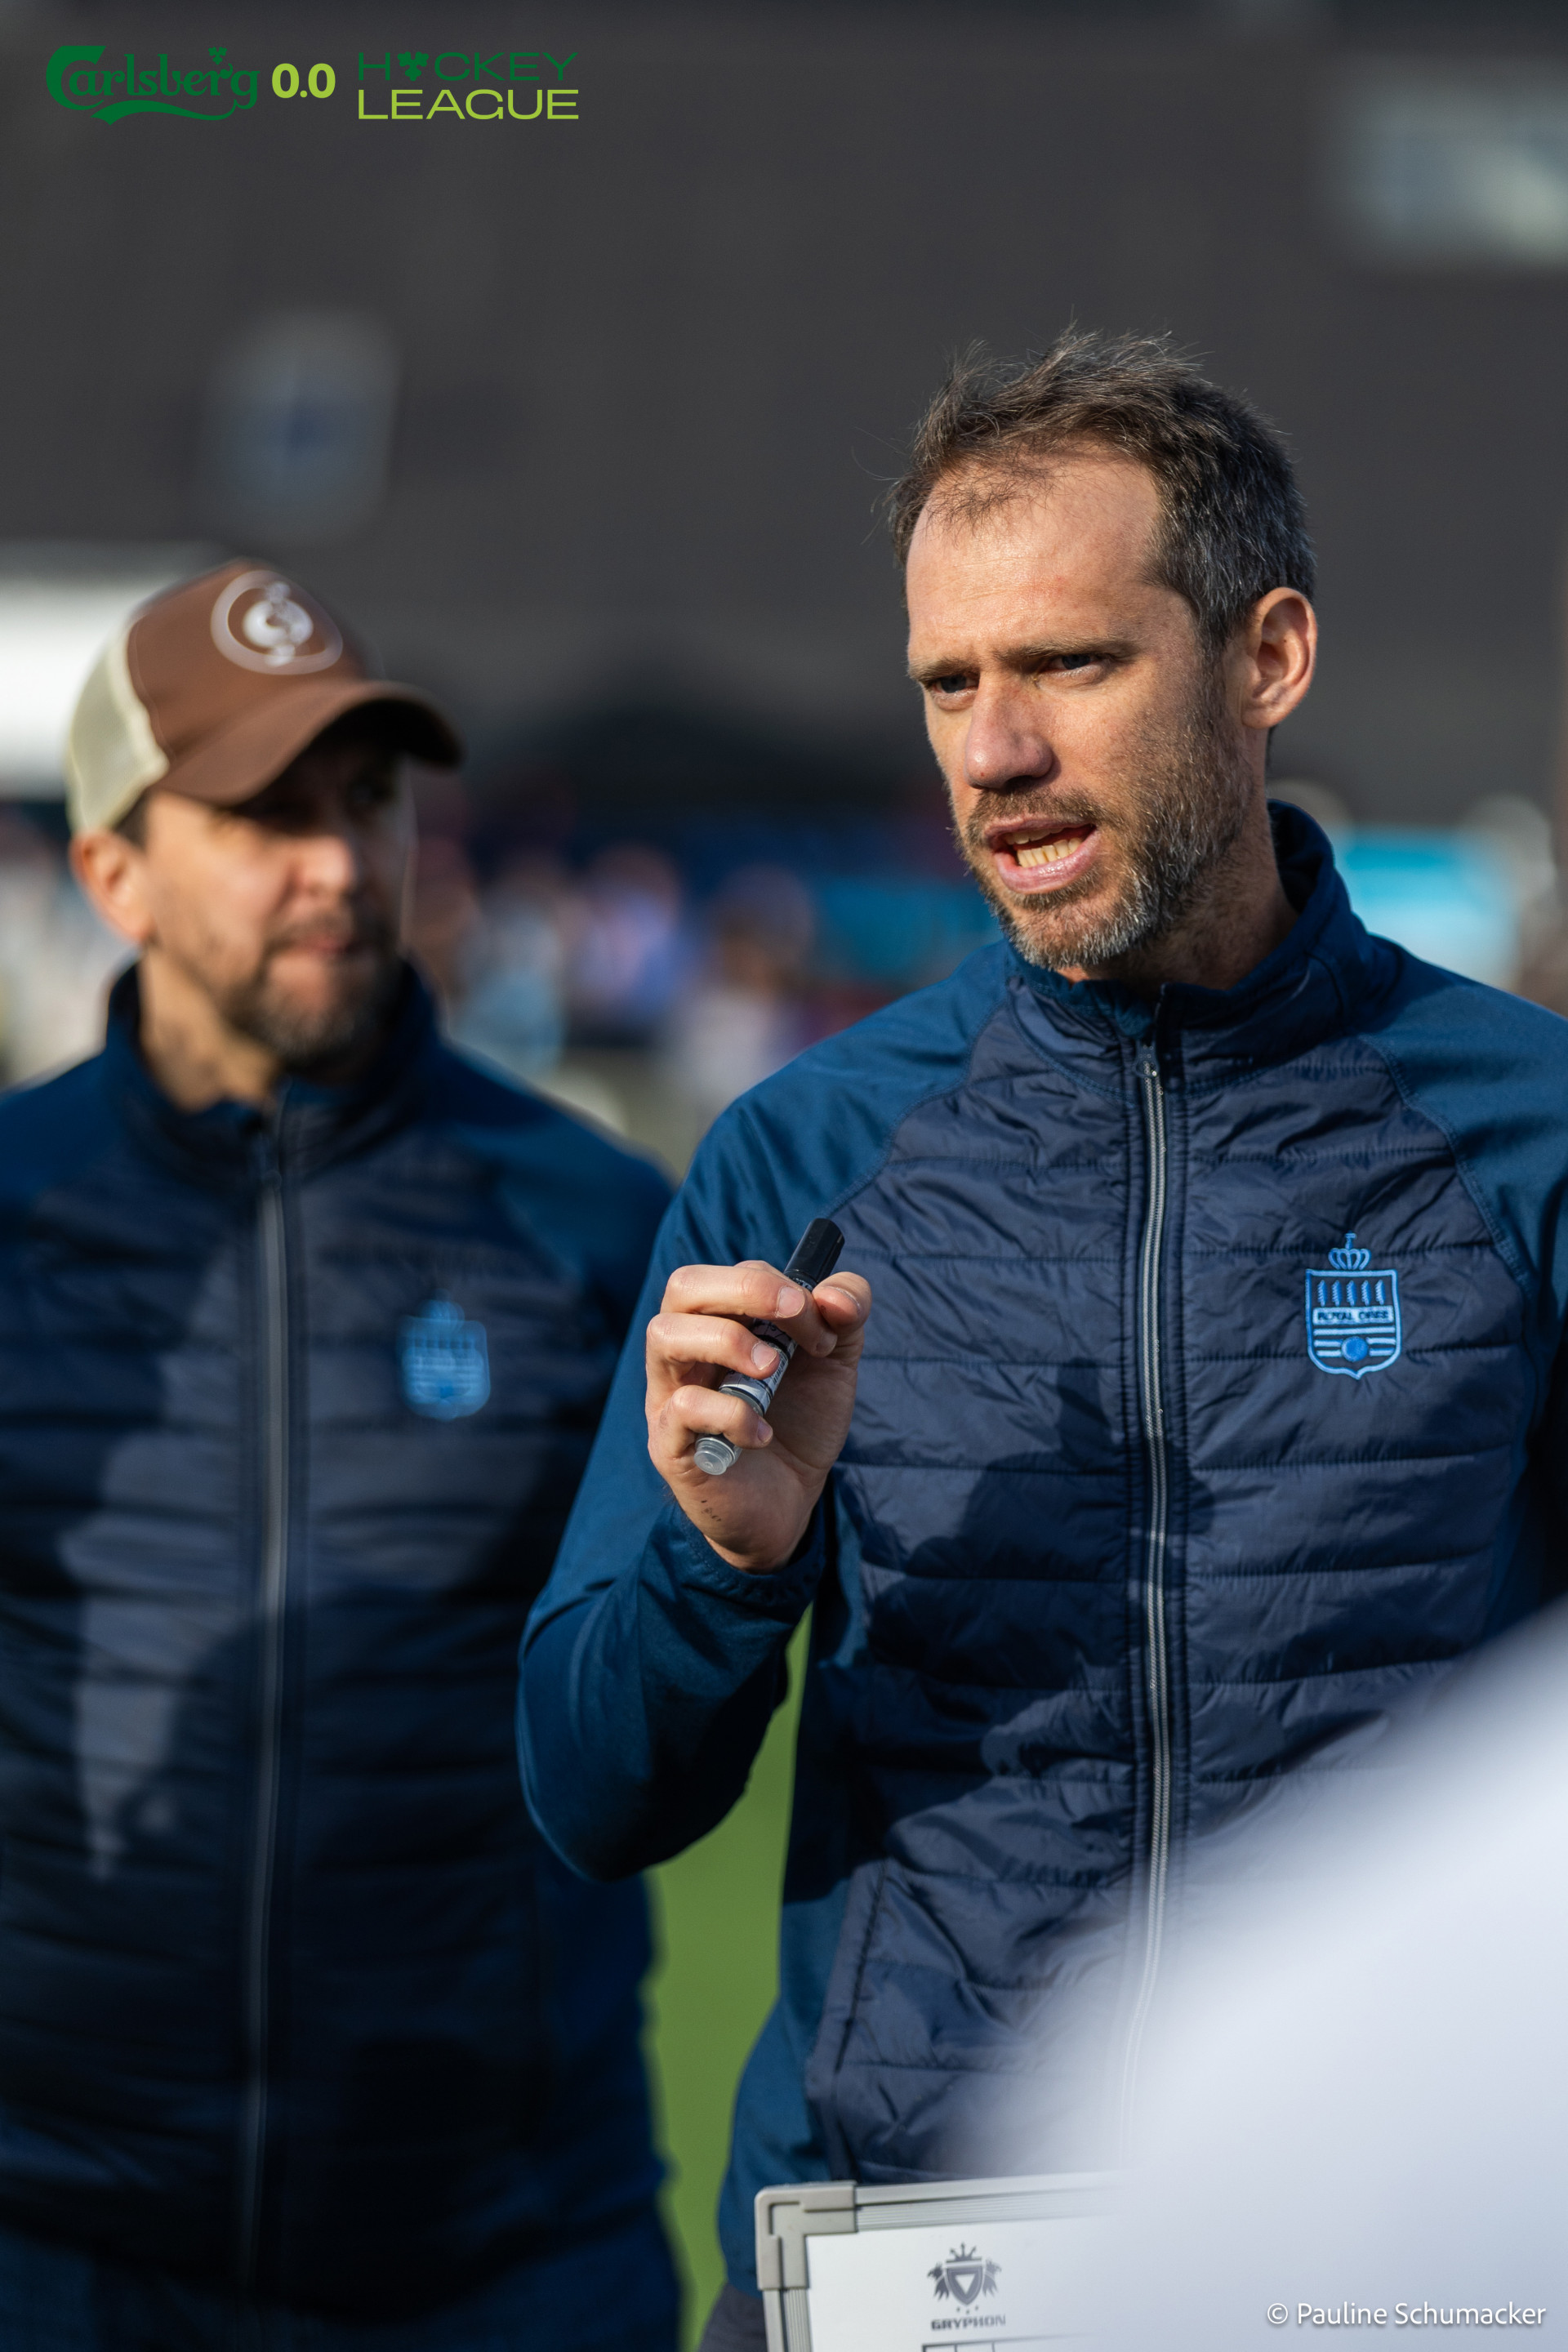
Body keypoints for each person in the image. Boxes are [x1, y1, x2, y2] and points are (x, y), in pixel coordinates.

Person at [517, 331, 1568, 2351]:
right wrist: (720, 1565)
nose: (993, 752)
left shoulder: (1525, 1133)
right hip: (914, 2264)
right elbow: (590, 1794)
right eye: (948, 683)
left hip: (1380, 2266)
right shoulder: (806, 1155)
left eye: (1071, 665)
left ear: (1267, 659)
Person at [0, 561, 678, 2350]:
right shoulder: (14, 1216)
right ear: (114, 874)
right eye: (262, 815)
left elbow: (682, 1724)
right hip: (58, 2256)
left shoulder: (592, 1221)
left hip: (506, 2259)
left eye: (367, 799)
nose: (337, 863)